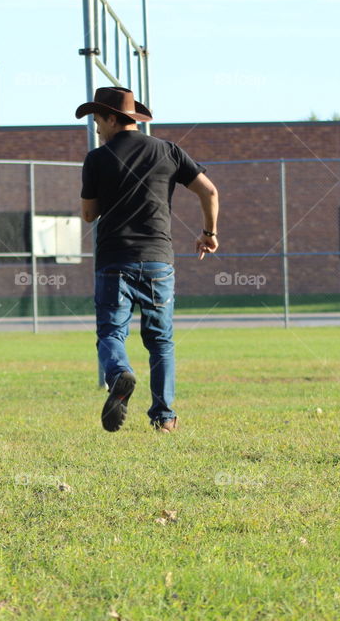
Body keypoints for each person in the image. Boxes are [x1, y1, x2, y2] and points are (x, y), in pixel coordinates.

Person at [76, 87, 219, 433]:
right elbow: (209, 191)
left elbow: (89, 214)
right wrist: (208, 233)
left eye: (98, 121)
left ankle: (118, 373)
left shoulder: (97, 158)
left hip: (114, 260)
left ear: (112, 119)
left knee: (111, 331)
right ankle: (165, 418)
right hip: (158, 261)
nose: (97, 130)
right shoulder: (168, 151)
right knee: (160, 341)